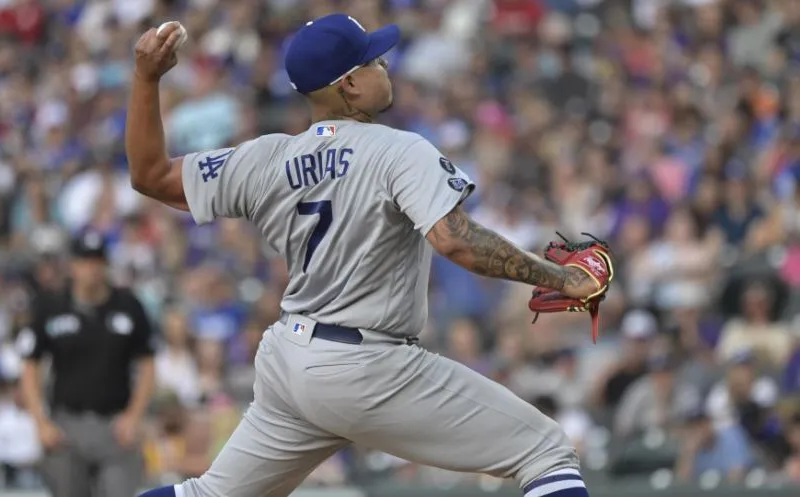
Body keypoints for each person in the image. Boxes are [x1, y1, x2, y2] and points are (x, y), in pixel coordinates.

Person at [129, 14, 607, 497]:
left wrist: (147, 79)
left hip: (291, 359)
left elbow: (150, 175)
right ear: (350, 84)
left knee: (207, 494)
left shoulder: (265, 158)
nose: (385, 66)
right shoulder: (398, 150)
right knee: (546, 451)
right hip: (365, 365)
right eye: (374, 61)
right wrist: (562, 278)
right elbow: (456, 240)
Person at [17, 232, 156, 497]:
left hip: (115, 425)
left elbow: (147, 365)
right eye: (85, 261)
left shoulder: (128, 306)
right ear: (72, 265)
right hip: (67, 425)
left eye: (97, 261)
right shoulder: (50, 306)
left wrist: (134, 416)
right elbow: (30, 365)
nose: (91, 269)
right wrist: (41, 421)